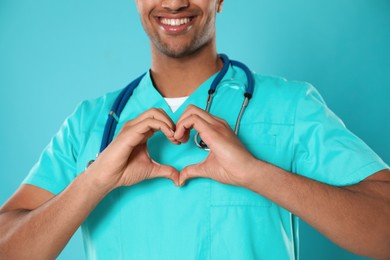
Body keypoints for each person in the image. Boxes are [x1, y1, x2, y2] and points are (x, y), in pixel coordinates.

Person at [0, 0, 389, 259]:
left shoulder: (290, 106)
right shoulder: (91, 123)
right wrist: (94, 181)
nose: (173, 3)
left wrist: (256, 174)